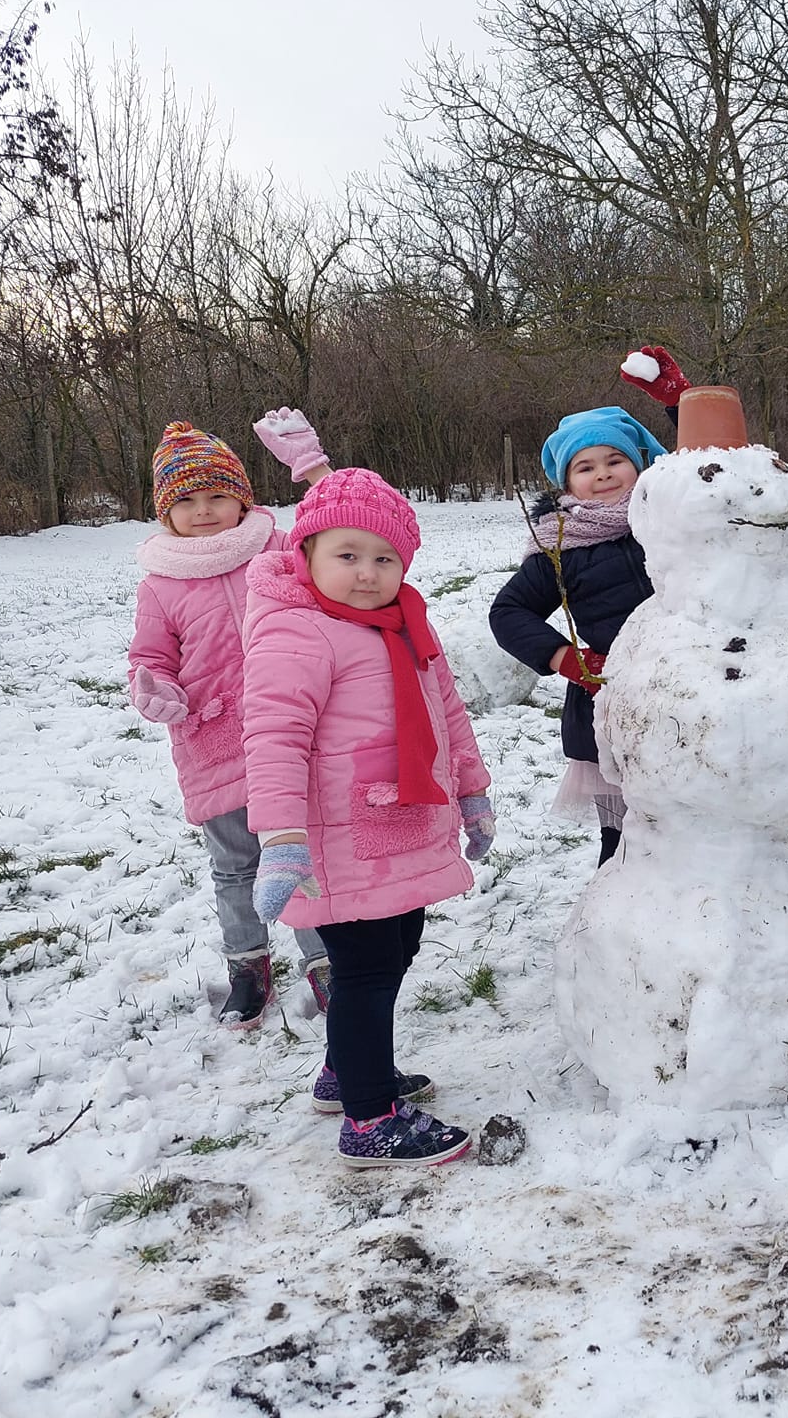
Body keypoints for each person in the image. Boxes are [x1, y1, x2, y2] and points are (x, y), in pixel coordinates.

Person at [242, 468, 494, 1167]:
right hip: (338, 841)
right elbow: (274, 740)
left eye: (384, 558)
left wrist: (472, 792)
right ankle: (369, 1119)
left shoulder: (407, 622)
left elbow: (448, 714)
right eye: (347, 555)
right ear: (307, 554)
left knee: (399, 947)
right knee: (365, 971)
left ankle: (346, 1071)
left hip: (398, 827)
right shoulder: (297, 631)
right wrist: (281, 840)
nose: (366, 573)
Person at [127, 411, 334, 1028]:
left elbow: (341, 529)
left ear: (242, 499)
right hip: (212, 741)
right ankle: (248, 966)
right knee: (237, 863)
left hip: (293, 731)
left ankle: (326, 961)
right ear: (166, 512)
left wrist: (311, 466)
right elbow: (150, 658)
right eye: (186, 501)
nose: (204, 511)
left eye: (217, 496)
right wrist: (155, 689)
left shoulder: (277, 549)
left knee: (300, 849)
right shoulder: (160, 584)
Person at [490, 399, 670, 864]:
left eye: (615, 460)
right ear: (567, 483)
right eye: (585, 467)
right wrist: (566, 659)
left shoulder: (670, 520)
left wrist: (677, 406)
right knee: (623, 839)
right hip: (615, 704)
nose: (603, 474)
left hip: (690, 690)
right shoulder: (561, 545)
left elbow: (717, 474)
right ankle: (617, 904)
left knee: (696, 823)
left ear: (639, 466)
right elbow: (508, 611)